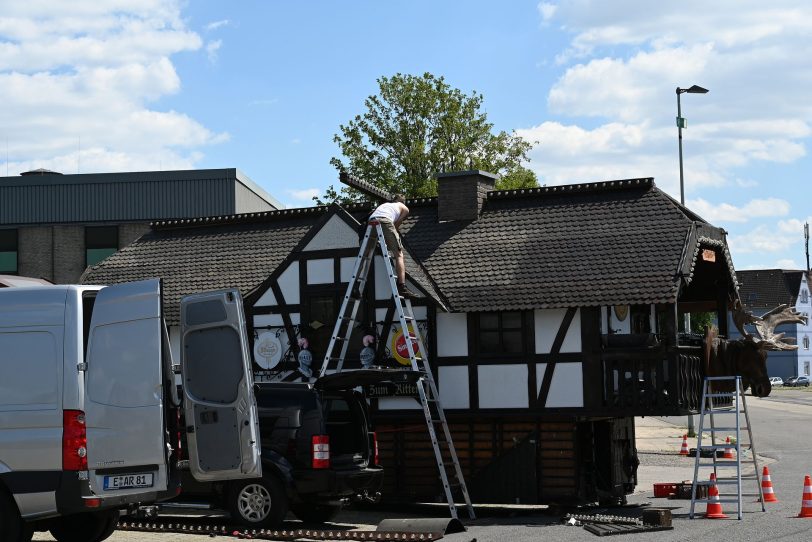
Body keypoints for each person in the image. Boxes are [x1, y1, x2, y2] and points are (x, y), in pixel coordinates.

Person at [369, 194, 416, 298]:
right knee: (399, 255)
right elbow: (396, 223)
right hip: (385, 221)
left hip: (371, 221)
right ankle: (402, 286)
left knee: (366, 255)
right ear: (403, 202)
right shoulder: (404, 208)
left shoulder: (385, 205)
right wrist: (393, 237)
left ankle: (357, 286)